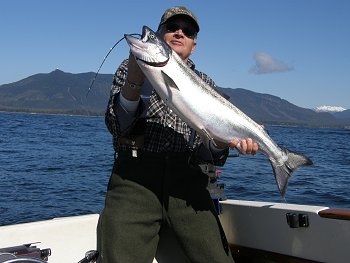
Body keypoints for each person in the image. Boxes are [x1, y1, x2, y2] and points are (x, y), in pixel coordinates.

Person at [97, 6, 258, 263]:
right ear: (160, 36)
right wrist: (134, 82)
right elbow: (116, 127)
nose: (179, 33)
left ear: (194, 45)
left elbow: (211, 156)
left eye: (188, 31)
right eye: (171, 28)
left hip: (189, 184)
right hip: (134, 183)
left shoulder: (206, 83)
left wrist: (222, 141)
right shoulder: (129, 67)